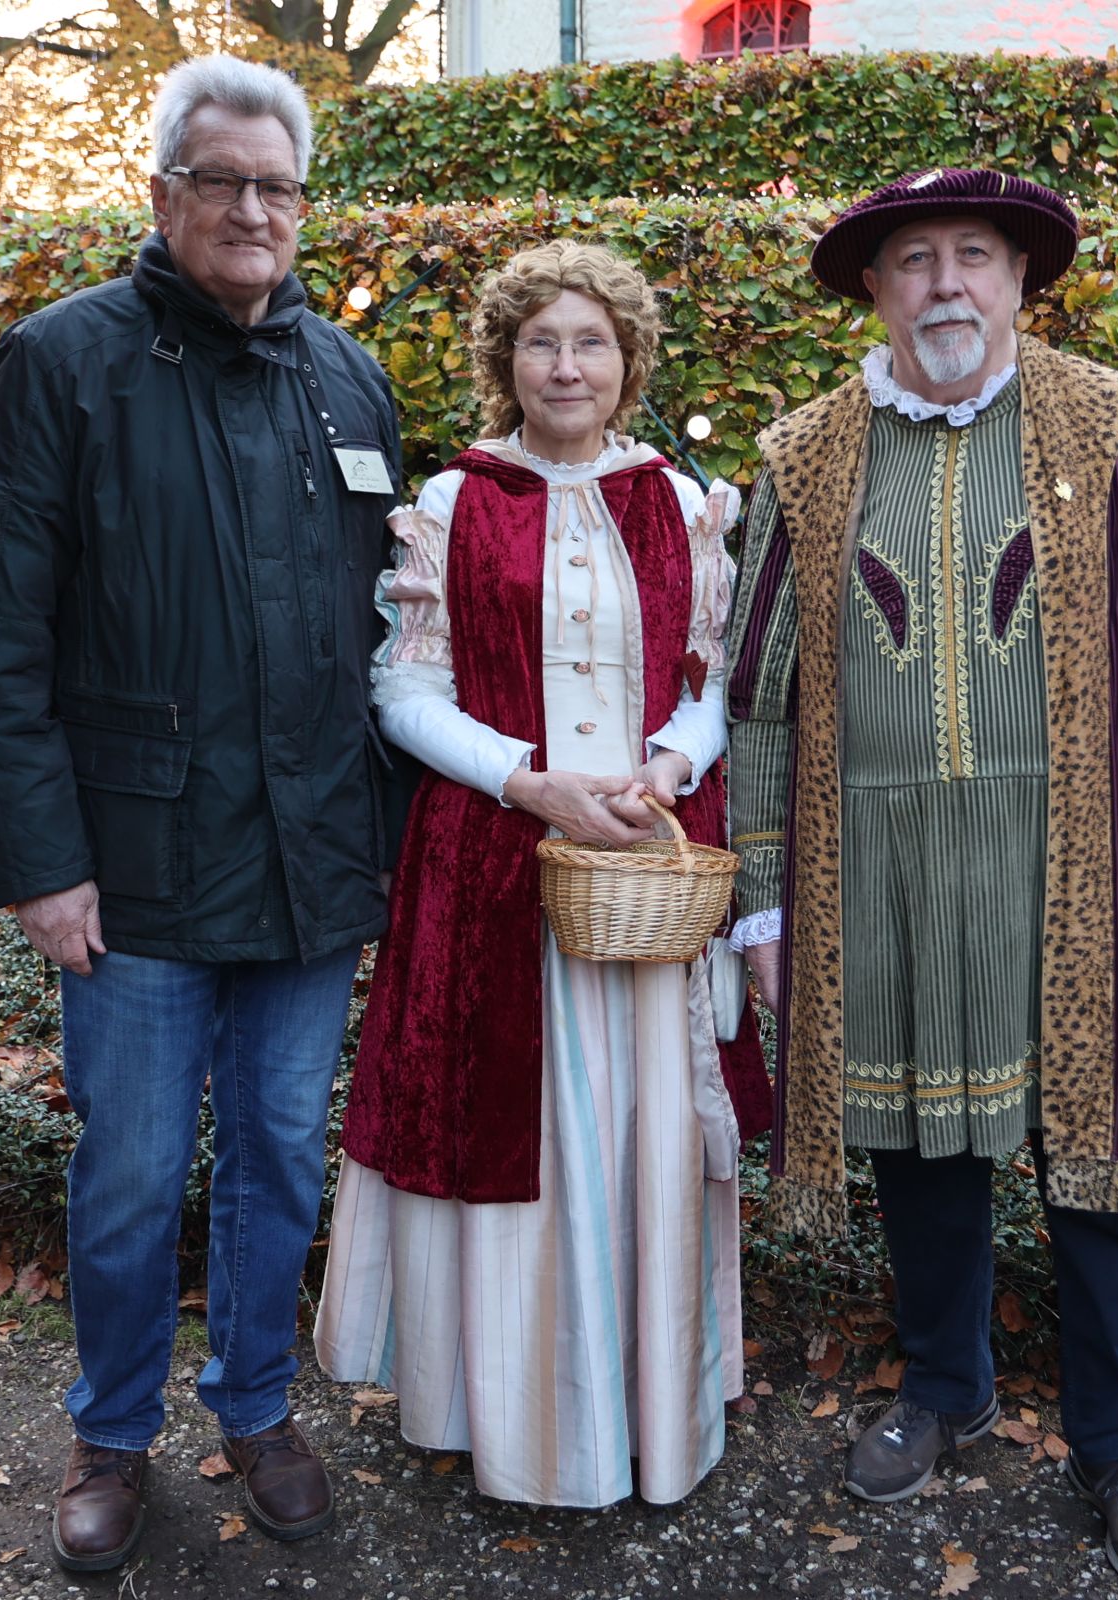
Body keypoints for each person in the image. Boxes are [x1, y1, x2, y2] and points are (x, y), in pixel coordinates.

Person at [0, 54, 408, 1572]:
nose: (252, 210)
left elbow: (395, 635)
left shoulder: (348, 377)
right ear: (162, 193)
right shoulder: (64, 362)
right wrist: (39, 865)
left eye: (278, 186)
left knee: (278, 1159)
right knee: (132, 1171)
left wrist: (392, 842)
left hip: (309, 862)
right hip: (131, 871)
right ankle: (112, 1433)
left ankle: (257, 1408)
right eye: (222, 182)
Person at [725, 168, 1118, 1593]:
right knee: (919, 1153)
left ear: (1019, 280)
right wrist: (764, 894)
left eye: (974, 256)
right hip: (876, 869)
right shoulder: (803, 453)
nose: (945, 284)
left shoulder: (1116, 426)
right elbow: (757, 701)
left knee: (1104, 1172)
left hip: (1075, 868)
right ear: (874, 289)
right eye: (913, 260)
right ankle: (944, 1387)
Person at [316, 239, 774, 1509]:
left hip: (644, 873)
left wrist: (669, 766)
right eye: (540, 342)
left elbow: (714, 679)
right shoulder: (453, 503)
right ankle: (504, 1417)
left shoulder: (682, 503)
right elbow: (402, 688)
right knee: (504, 1124)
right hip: (491, 870)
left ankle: (647, 1411)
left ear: (628, 361)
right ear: (504, 359)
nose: (566, 366)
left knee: (640, 1136)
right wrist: (526, 780)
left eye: (591, 343)